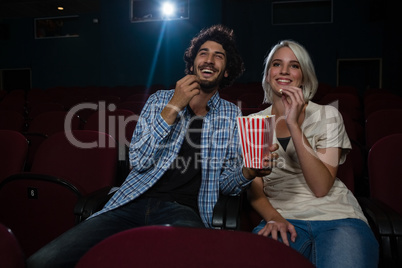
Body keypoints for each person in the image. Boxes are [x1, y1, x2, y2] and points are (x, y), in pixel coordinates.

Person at [27, 24, 276, 268]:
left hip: (184, 211)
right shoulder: (159, 100)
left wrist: (248, 172)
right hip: (132, 203)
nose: (209, 60)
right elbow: (138, 160)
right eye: (204, 53)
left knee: (201, 260)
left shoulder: (232, 115)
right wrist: (174, 106)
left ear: (227, 71)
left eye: (218, 56)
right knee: (42, 261)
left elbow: (226, 185)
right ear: (192, 64)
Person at [247, 40, 379, 268]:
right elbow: (254, 188)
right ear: (268, 74)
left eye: (294, 66)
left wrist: (294, 126)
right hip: (281, 218)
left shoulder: (328, 116)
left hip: (337, 217)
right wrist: (273, 217)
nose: (285, 71)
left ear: (304, 76)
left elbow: (320, 187)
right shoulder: (255, 123)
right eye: (277, 64)